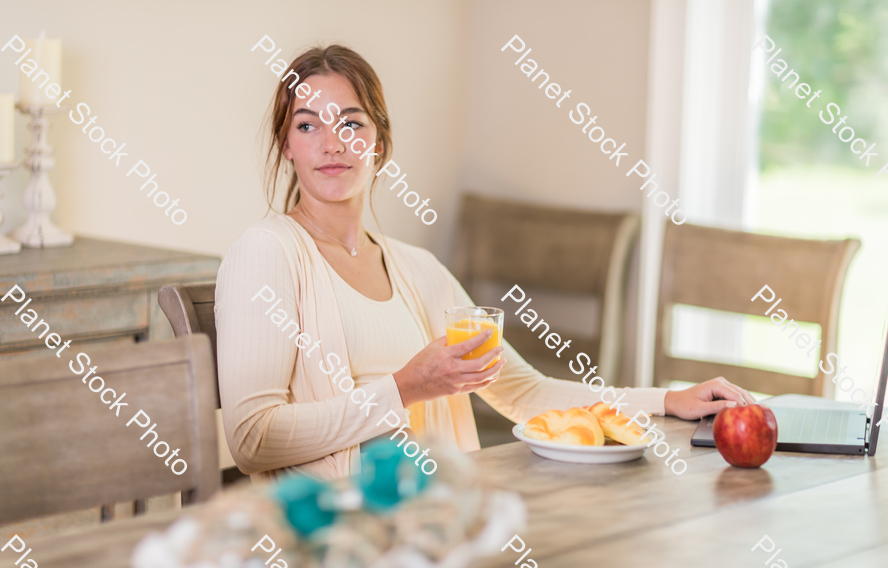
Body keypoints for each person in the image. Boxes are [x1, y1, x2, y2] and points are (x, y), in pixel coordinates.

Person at [215, 44, 755, 482]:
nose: (332, 143)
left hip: (442, 525)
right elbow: (252, 440)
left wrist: (667, 398)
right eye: (309, 126)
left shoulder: (418, 269)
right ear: (286, 144)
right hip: (333, 545)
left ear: (379, 142)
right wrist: (404, 388)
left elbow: (525, 392)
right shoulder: (267, 254)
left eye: (351, 124)